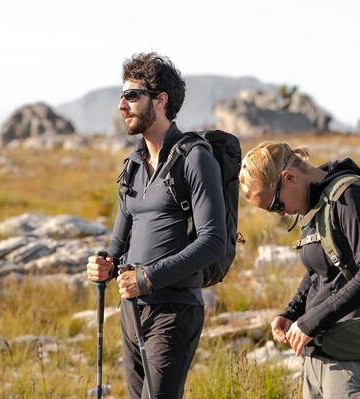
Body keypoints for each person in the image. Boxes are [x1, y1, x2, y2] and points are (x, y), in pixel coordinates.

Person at [86, 52, 227, 398]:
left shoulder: (195, 158)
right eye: (122, 96)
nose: (122, 105)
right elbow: (119, 245)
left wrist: (148, 278)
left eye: (132, 95)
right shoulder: (132, 166)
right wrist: (103, 263)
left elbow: (213, 241)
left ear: (160, 100)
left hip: (174, 311)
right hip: (131, 311)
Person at [239, 141, 360, 398]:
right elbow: (320, 272)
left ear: (290, 177)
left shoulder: (349, 197)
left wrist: (310, 322)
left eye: (276, 205)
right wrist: (291, 313)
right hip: (318, 355)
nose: (281, 215)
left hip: (349, 358)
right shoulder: (315, 204)